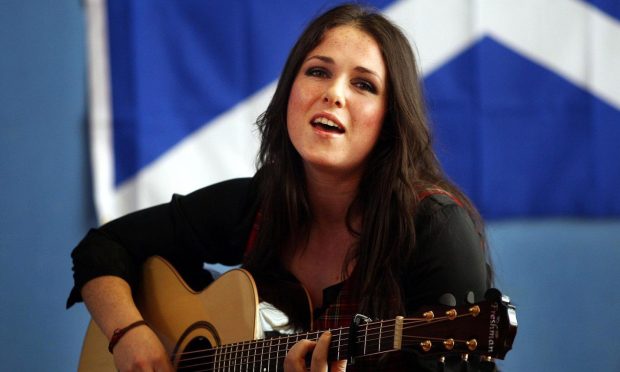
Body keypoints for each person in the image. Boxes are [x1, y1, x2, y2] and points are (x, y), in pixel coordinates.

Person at [68, 3, 494, 371]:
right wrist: (129, 334)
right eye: (317, 72)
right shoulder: (257, 204)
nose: (334, 94)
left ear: (391, 120)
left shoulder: (435, 229)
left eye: (363, 84)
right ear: (289, 91)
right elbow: (104, 248)